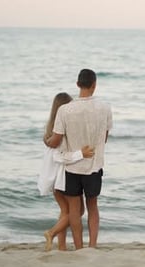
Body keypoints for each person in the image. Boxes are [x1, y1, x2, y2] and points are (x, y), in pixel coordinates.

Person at [47, 69, 112, 249]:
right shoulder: (105, 108)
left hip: (72, 168)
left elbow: (56, 140)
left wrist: (47, 141)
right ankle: (92, 246)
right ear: (94, 85)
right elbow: (104, 138)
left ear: (77, 84)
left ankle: (78, 247)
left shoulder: (64, 110)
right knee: (92, 206)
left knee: (74, 210)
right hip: (93, 166)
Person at [38, 92, 94, 251]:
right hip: (61, 178)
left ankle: (61, 246)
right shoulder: (59, 130)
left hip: (56, 177)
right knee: (77, 211)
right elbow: (59, 157)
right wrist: (80, 154)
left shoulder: (51, 127)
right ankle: (51, 233)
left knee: (65, 211)